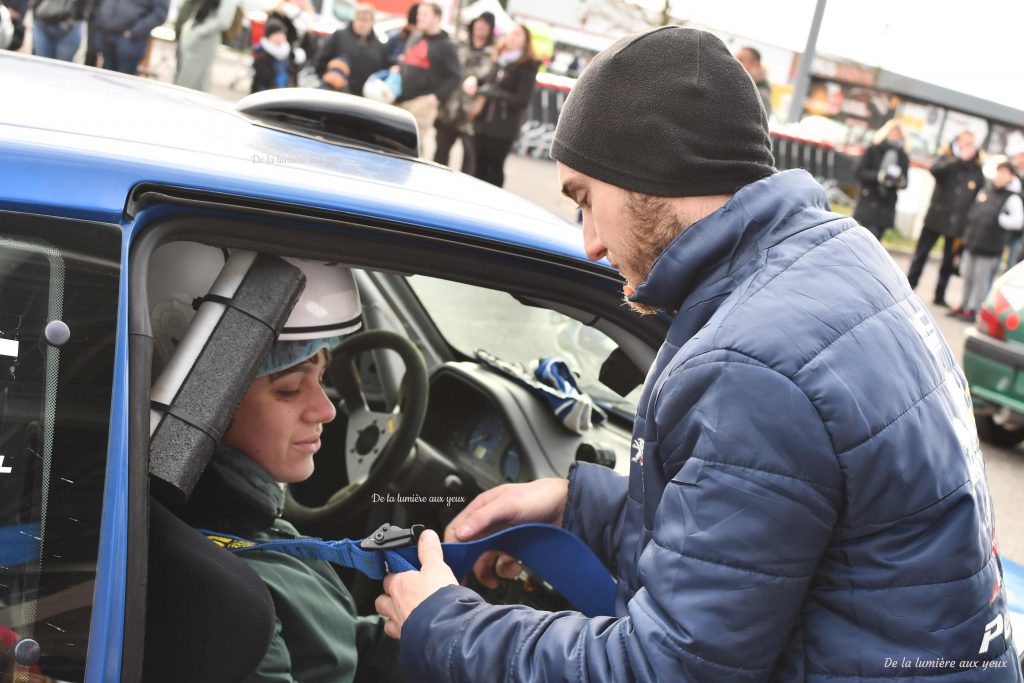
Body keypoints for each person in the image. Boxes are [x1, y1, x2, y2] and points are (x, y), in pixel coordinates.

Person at [375, 27, 1022, 681]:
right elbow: (761, 529)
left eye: (584, 199)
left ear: (647, 171)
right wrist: (577, 506)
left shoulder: (751, 364)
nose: (590, 242)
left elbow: (665, 668)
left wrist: (443, 623)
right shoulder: (840, 257)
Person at [156, 249, 401, 682]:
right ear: (206, 401)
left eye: (321, 380)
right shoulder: (226, 594)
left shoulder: (253, 530)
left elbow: (337, 648)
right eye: (289, 389)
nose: (326, 410)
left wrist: (449, 629)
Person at [906, 130, 985, 306]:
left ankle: (940, 295)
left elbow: (980, 191)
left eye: (972, 143)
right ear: (958, 142)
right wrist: (958, 159)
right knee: (921, 254)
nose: (970, 147)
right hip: (936, 218)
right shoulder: (947, 158)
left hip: (958, 224)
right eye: (966, 142)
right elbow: (935, 170)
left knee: (948, 262)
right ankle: (909, 287)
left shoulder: (976, 168)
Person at [468, 22, 539, 187]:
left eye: (518, 34)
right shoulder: (500, 59)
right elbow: (487, 80)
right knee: (477, 168)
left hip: (503, 128)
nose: (512, 37)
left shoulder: (528, 66)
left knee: (494, 171)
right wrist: (475, 81)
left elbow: (522, 100)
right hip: (482, 122)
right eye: (511, 33)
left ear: (526, 41)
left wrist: (494, 94)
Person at [950, 161, 1024, 321]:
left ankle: (976, 310)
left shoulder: (1012, 198)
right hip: (973, 242)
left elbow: (1018, 221)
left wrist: (1001, 219)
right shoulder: (986, 190)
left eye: (1005, 173)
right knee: (967, 277)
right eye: (999, 172)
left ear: (1011, 177)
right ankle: (964, 306)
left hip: (989, 247)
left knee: (981, 281)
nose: (1000, 176)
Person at [393, 1, 461, 160]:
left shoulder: (446, 45)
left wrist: (437, 98)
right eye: (419, 14)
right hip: (402, 98)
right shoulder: (415, 37)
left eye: (424, 14)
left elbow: (455, 75)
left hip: (423, 102)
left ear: (437, 18)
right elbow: (409, 60)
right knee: (393, 144)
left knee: (407, 147)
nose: (419, 17)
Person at [433, 11, 494, 173]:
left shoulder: (493, 52)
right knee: (440, 153)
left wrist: (479, 85)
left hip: (472, 115)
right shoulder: (457, 43)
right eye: (479, 22)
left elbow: (493, 79)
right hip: (450, 108)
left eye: (486, 24)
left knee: (469, 159)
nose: (481, 26)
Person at [852, 119, 910, 241]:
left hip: (886, 205)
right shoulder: (873, 149)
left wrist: (898, 181)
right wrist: (880, 176)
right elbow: (859, 172)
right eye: (892, 133)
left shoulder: (902, 156)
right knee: (860, 240)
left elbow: (905, 182)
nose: (894, 137)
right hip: (869, 202)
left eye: (897, 134)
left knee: (875, 242)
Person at [313, 2, 388, 95]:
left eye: (365, 20)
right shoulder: (339, 36)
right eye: (359, 19)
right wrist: (328, 80)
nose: (362, 23)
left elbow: (383, 72)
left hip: (365, 98)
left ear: (372, 22)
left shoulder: (380, 47)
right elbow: (320, 61)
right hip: (336, 94)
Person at [174, 0, 240, 91]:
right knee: (183, 78)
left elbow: (223, 22)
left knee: (194, 81)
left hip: (205, 41)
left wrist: (200, 31)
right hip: (192, 34)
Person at [90, 0, 168, 73]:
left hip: (130, 41)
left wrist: (134, 32)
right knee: (105, 78)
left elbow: (160, 13)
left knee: (123, 80)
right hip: (107, 35)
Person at [251, 18, 302, 92]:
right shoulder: (261, 55)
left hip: (286, 93)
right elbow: (265, 78)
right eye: (276, 34)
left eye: (282, 34)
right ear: (269, 36)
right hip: (266, 94)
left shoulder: (290, 54)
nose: (280, 38)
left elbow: (293, 75)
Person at [735, 45, 771, 118]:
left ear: (755, 64)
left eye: (741, 59)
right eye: (734, 58)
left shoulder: (760, 93)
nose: (734, 61)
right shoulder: (739, 84)